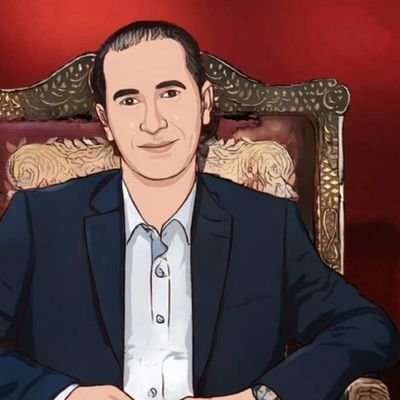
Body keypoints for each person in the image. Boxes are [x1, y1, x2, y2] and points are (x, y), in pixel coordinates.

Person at [0, 20, 399, 400]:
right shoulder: (38, 220)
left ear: (205, 103)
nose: (152, 122)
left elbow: (367, 327)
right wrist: (64, 395)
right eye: (129, 100)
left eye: (170, 93)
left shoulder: (266, 225)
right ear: (105, 119)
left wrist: (262, 396)